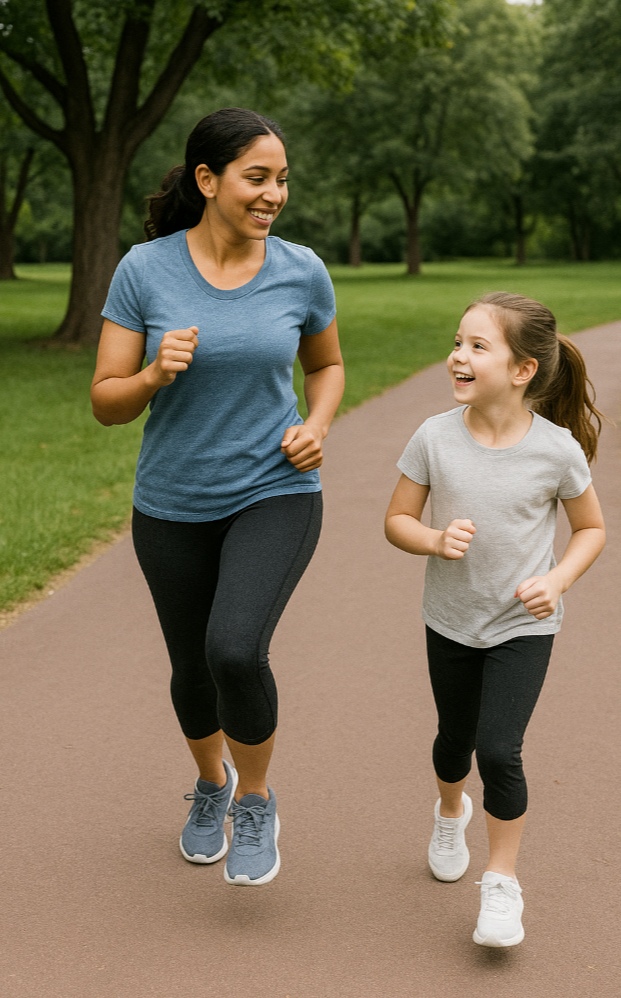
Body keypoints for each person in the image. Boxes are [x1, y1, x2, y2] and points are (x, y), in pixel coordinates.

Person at [91, 107, 344, 886]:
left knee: (234, 647)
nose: (274, 194)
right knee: (190, 667)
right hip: (171, 501)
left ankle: (256, 800)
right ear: (208, 179)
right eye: (257, 177)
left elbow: (327, 367)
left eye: (282, 180)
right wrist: (152, 374)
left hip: (275, 488)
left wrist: (319, 424)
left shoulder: (301, 268)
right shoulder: (144, 270)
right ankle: (211, 783)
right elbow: (106, 400)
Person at [385, 293, 605, 946]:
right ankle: (450, 809)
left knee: (498, 749)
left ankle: (502, 883)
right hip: (450, 620)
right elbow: (396, 521)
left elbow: (591, 530)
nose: (458, 355)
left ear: (522, 369)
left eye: (478, 346)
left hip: (523, 627)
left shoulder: (558, 451)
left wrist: (558, 578)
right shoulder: (433, 436)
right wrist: (432, 539)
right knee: (454, 741)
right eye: (458, 342)